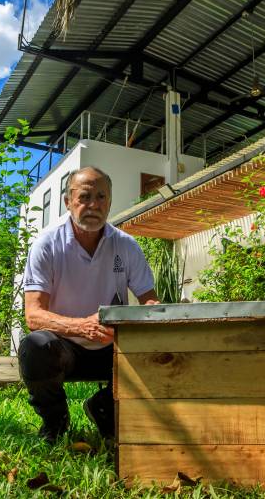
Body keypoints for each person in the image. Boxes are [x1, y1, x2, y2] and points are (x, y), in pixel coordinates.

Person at [20, 166, 160, 443]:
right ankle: (55, 421)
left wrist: (154, 316)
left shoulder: (127, 246)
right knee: (35, 346)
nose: (93, 205)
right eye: (84, 197)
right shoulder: (46, 244)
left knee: (160, 346)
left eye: (101, 197)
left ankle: (104, 408)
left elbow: (150, 301)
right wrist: (81, 326)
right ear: (68, 202)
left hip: (114, 347)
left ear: (109, 202)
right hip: (65, 348)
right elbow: (33, 315)